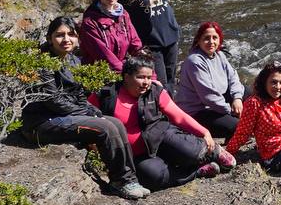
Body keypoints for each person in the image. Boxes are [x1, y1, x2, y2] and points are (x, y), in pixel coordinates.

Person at [20, 17, 150, 200]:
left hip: (64, 115)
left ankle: (130, 179)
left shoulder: (74, 60)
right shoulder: (43, 63)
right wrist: (88, 114)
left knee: (116, 124)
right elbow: (52, 100)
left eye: (71, 34)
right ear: (50, 38)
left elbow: (79, 95)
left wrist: (93, 112)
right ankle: (120, 182)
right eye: (60, 35)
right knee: (105, 127)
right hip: (41, 122)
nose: (66, 39)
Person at [88, 54, 235, 190]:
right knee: (152, 177)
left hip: (161, 136)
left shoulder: (155, 91)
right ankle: (197, 172)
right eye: (141, 77)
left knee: (192, 152)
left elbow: (179, 116)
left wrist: (204, 132)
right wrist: (93, 144)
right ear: (126, 77)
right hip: (138, 154)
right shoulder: (106, 95)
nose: (146, 82)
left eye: (148, 77)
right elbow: (87, 116)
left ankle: (214, 152)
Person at [121, 0, 181, 90]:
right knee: (159, 83)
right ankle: (161, 104)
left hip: (171, 37)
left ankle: (170, 103)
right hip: (150, 42)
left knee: (171, 80)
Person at [174, 21, 243, 141]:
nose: (211, 42)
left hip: (215, 104)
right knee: (239, 125)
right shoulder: (195, 62)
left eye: (214, 38)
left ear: (219, 40)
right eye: (206, 38)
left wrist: (237, 98)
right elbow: (209, 97)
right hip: (197, 112)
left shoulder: (219, 55)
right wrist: (232, 111)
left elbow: (233, 77)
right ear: (199, 41)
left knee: (247, 92)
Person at [79, 0, 142, 73]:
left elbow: (135, 45)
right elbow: (104, 57)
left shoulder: (123, 15)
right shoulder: (90, 21)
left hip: (122, 69)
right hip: (100, 74)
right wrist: (127, 74)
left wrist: (147, 69)